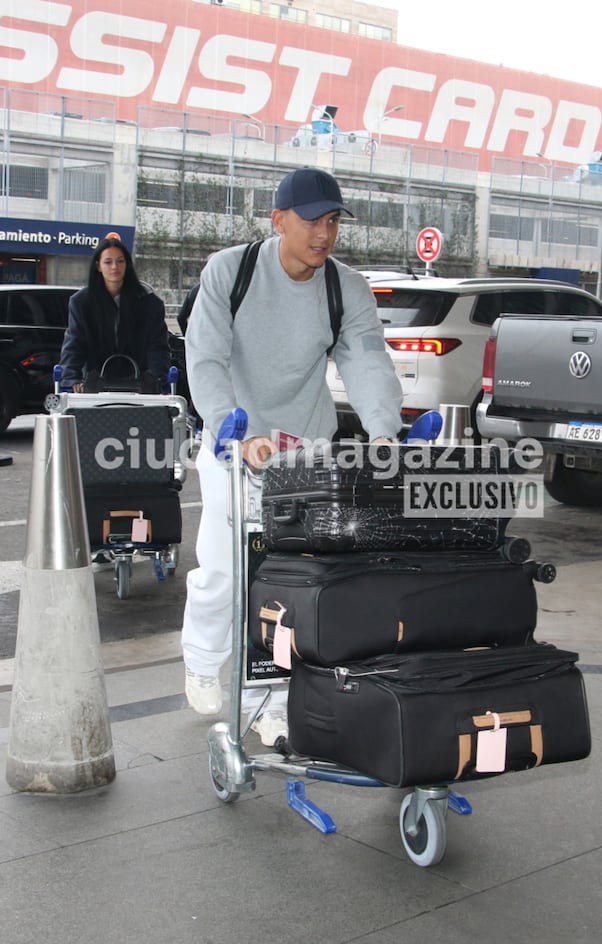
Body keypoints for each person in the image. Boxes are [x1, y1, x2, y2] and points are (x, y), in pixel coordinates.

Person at [182, 167, 403, 746]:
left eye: (332, 220)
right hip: (235, 438)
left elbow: (366, 359)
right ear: (278, 220)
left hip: (306, 450)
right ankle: (204, 659)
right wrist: (234, 430)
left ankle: (269, 696)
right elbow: (205, 357)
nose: (323, 233)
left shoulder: (345, 287)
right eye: (311, 220)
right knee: (226, 568)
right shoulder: (231, 271)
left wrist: (384, 434)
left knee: (292, 579)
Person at [59, 234, 170, 391]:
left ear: (127, 265)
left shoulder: (150, 303)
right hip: (95, 385)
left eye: (120, 261)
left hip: (140, 387)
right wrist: (72, 377)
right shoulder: (81, 303)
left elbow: (158, 347)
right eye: (108, 262)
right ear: (98, 266)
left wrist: (155, 377)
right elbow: (74, 343)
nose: (114, 267)